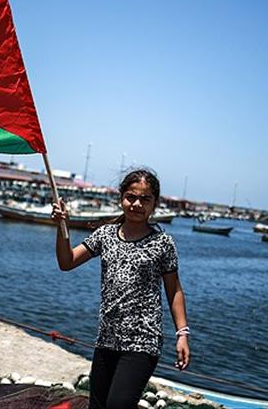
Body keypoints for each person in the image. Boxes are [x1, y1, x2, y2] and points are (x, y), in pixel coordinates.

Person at [52, 168, 190, 409]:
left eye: (145, 199)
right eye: (131, 197)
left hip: (143, 340)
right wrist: (62, 225)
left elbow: (174, 290)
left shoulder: (163, 243)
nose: (137, 204)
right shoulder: (105, 234)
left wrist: (183, 334)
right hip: (107, 337)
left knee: (118, 405)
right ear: (121, 198)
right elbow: (67, 262)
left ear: (155, 203)